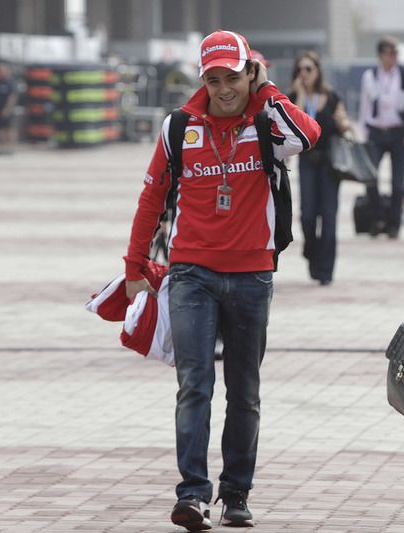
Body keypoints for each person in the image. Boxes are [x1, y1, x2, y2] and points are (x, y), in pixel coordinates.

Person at [123, 30, 320, 531]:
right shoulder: (179, 127)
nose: (223, 88)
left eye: (232, 76)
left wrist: (268, 90)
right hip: (191, 273)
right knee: (195, 384)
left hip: (253, 275)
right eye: (213, 79)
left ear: (249, 72)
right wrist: (134, 267)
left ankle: (236, 493)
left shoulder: (266, 120)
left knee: (245, 390)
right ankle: (192, 494)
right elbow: (151, 199)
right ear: (202, 79)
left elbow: (309, 136)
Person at [288, 51, 350, 285]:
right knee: (307, 216)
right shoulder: (292, 97)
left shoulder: (332, 96)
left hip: (329, 162)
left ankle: (326, 271)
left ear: (318, 71)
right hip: (307, 161)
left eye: (308, 69)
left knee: (329, 217)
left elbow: (342, 126)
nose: (304, 74)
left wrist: (343, 123)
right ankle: (312, 253)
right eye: (299, 70)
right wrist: (301, 95)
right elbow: (297, 124)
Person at [358, 35, 404, 238]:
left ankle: (394, 224)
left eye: (396, 53)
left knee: (397, 183)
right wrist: (364, 134)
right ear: (380, 55)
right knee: (370, 178)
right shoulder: (370, 76)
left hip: (398, 134)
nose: (394, 57)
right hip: (376, 133)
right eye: (390, 53)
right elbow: (364, 107)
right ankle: (377, 219)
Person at [0, 61, 19, 155]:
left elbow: (13, 96)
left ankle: (12, 148)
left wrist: (8, 108)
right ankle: (2, 148)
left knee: (9, 128)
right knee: (1, 129)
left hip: (7, 109)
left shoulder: (10, 82)